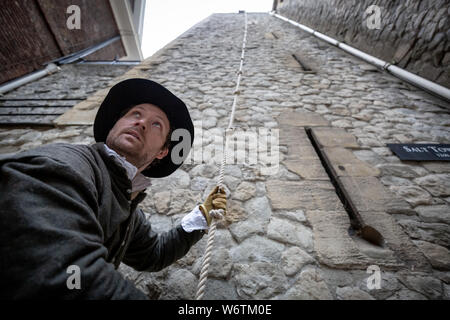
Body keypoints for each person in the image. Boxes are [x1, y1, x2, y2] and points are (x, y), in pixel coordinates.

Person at [0, 78, 227, 299]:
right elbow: (65, 275)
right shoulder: (67, 164)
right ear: (115, 125)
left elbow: (153, 254)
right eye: (135, 114)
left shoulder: (127, 207)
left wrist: (201, 217)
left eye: (156, 123)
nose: (141, 122)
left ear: (162, 151)